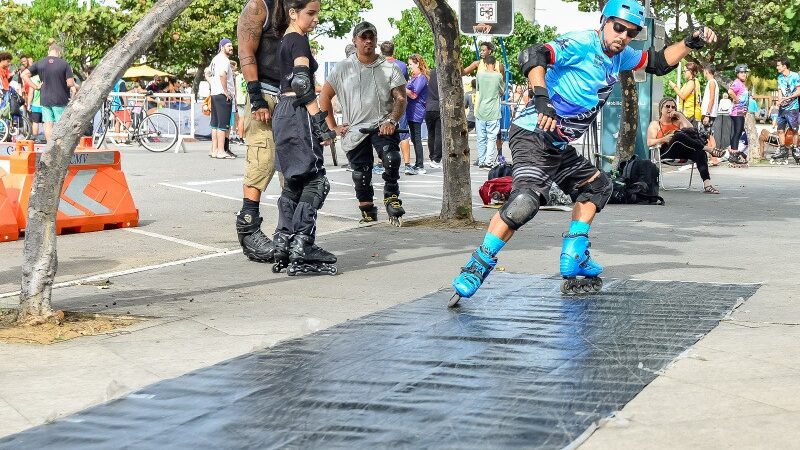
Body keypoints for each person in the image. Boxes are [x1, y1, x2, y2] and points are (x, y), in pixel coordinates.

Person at [450, 0, 718, 304]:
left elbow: (657, 61)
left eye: (631, 33)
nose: (623, 37)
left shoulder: (621, 55)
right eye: (618, 28)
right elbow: (534, 54)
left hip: (559, 145)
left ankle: (574, 254)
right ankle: (478, 264)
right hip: (532, 134)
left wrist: (688, 42)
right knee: (525, 201)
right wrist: (541, 97)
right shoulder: (581, 43)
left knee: (598, 186)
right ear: (604, 22)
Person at [270, 0, 338, 275]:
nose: (316, 19)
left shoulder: (284, 40)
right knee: (316, 180)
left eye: (317, 13)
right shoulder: (299, 40)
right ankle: (303, 244)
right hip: (298, 111)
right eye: (311, 13)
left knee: (294, 180)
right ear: (293, 13)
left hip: (282, 111)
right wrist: (319, 121)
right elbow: (301, 82)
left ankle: (283, 242)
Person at [319, 21, 408, 226]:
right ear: (355, 41)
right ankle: (367, 210)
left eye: (371, 37)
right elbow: (324, 97)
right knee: (361, 174)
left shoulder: (389, 67)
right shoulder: (343, 68)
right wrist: (333, 126)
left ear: (376, 41)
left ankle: (391, 195)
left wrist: (392, 120)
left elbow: (401, 98)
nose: (368, 41)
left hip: (382, 125)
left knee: (391, 158)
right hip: (355, 128)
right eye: (363, 37)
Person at [234, 0, 284, 264]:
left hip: (289, 96)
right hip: (264, 93)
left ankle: (288, 231)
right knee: (262, 160)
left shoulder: (297, 6)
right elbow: (246, 51)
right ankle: (248, 226)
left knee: (293, 167)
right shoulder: (258, 6)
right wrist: (256, 98)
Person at [647, 98, 724, 193]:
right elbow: (649, 142)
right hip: (666, 152)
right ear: (661, 109)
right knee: (678, 135)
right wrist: (663, 139)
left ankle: (707, 185)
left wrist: (680, 115)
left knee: (699, 151)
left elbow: (692, 131)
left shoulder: (677, 122)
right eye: (667, 106)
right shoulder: (655, 124)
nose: (670, 109)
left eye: (673, 107)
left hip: (683, 151)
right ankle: (708, 149)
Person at [21, 44, 77, 143]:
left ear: (49, 52)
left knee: (47, 123)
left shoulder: (40, 63)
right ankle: (60, 145)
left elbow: (23, 75)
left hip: (45, 99)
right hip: (60, 99)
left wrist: (36, 87)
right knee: (60, 124)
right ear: (59, 52)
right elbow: (70, 83)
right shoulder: (64, 64)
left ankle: (50, 146)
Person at [464, 41, 506, 159]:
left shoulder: (499, 65)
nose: (481, 52)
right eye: (481, 50)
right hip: (480, 104)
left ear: (489, 51)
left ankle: (499, 155)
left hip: (493, 104)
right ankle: (482, 158)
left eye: (483, 50)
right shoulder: (477, 64)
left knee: (496, 134)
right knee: (481, 135)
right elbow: (463, 72)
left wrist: (500, 93)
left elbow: (503, 83)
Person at [475, 55, 504, 169]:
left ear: (485, 64)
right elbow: (502, 91)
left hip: (480, 110)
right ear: (495, 64)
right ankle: (488, 161)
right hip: (493, 111)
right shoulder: (498, 76)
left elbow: (478, 88)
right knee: (492, 138)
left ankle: (481, 161)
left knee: (481, 138)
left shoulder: (479, 74)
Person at [209, 38, 237, 159]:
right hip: (222, 95)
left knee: (215, 124)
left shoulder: (215, 59)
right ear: (222, 47)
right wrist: (225, 90)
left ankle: (215, 150)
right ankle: (221, 151)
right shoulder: (224, 60)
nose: (231, 48)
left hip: (215, 94)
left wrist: (213, 85)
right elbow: (222, 74)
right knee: (223, 124)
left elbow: (207, 73)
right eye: (228, 46)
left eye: (231, 46)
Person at [405, 54, 429, 174]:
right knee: (414, 138)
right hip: (410, 110)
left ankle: (420, 165)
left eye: (411, 64)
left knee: (417, 138)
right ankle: (417, 163)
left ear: (417, 64)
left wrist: (403, 88)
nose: (409, 66)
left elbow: (414, 95)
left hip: (417, 111)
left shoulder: (422, 78)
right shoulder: (413, 77)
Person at [773, 58, 800, 160]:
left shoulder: (795, 76)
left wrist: (788, 98)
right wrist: (779, 101)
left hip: (793, 108)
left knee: (794, 129)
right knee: (780, 129)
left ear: (784, 66)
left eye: (778, 65)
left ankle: (795, 149)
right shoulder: (779, 77)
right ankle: (783, 149)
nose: (777, 67)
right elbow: (780, 91)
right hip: (782, 108)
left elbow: (799, 91)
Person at [728, 64, 750, 158]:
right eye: (741, 72)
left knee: (738, 132)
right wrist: (736, 99)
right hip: (737, 112)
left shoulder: (741, 84)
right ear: (737, 74)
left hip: (740, 112)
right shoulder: (737, 82)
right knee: (737, 133)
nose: (744, 74)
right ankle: (734, 154)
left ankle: (734, 152)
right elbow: (730, 91)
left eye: (745, 72)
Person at [425, 68, 443, 169]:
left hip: (428, 107)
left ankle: (432, 156)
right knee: (438, 134)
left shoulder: (429, 73)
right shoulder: (443, 73)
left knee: (431, 134)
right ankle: (436, 159)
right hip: (439, 106)